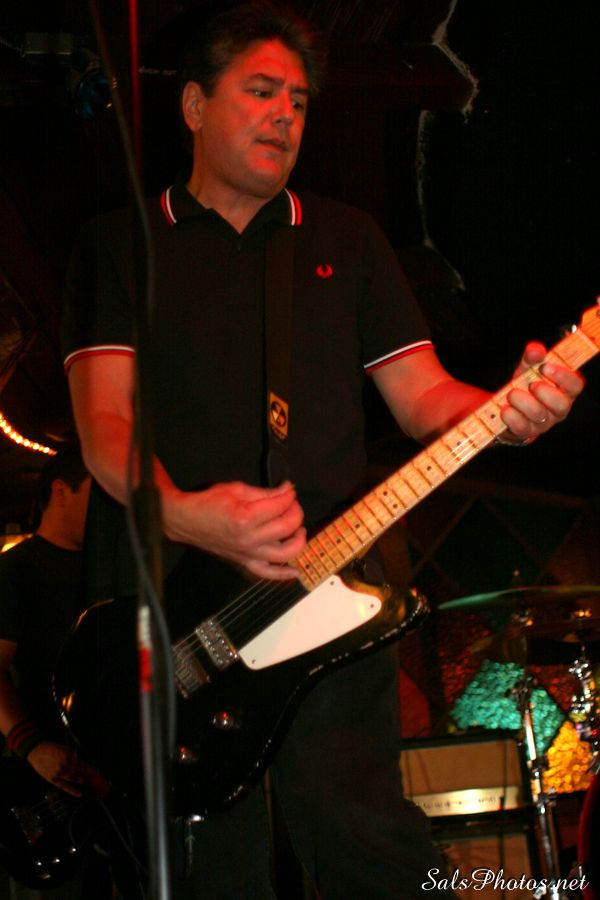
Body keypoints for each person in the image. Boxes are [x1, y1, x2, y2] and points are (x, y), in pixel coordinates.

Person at [59, 2, 585, 897]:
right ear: (193, 106)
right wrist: (185, 516)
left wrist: (511, 408)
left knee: (365, 838)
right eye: (261, 92)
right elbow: (106, 423)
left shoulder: (348, 239)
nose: (285, 116)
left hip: (331, 589)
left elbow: (427, 400)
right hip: (181, 614)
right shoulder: (120, 244)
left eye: (299, 101)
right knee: (212, 865)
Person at [0, 448, 111, 900]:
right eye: (97, 494)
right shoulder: (17, 569)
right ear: (61, 491)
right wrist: (32, 747)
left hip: (102, 783)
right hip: (41, 784)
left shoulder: (109, 572)